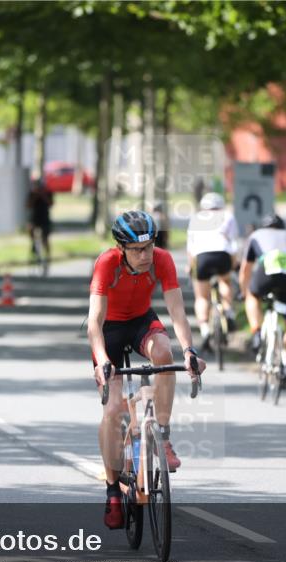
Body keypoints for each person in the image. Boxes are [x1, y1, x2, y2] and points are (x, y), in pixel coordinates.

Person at [88, 210, 206, 529]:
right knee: (113, 410)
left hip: (141, 321)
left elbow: (177, 311)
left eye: (149, 247)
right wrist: (102, 361)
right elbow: (94, 322)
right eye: (137, 250)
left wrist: (190, 351)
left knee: (165, 353)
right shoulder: (106, 263)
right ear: (121, 248)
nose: (145, 255)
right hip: (109, 329)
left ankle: (162, 435)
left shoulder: (163, 260)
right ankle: (113, 489)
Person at [239, 213, 286, 390]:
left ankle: (256, 333)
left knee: (252, 297)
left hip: (265, 274)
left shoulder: (256, 235)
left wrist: (244, 291)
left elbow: (246, 269)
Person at [186, 192, 239, 352]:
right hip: (222, 254)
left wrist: (190, 266)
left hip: (202, 257)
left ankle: (204, 329)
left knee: (202, 296)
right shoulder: (228, 216)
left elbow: (190, 248)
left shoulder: (196, 218)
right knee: (225, 281)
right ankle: (229, 312)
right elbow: (234, 242)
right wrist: (234, 263)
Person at [26, 179, 54, 266]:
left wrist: (43, 195)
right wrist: (35, 196)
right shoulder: (32, 193)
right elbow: (28, 205)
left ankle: (48, 256)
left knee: (45, 238)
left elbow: (51, 203)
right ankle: (34, 244)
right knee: (30, 229)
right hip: (35, 218)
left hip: (44, 218)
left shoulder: (47, 193)